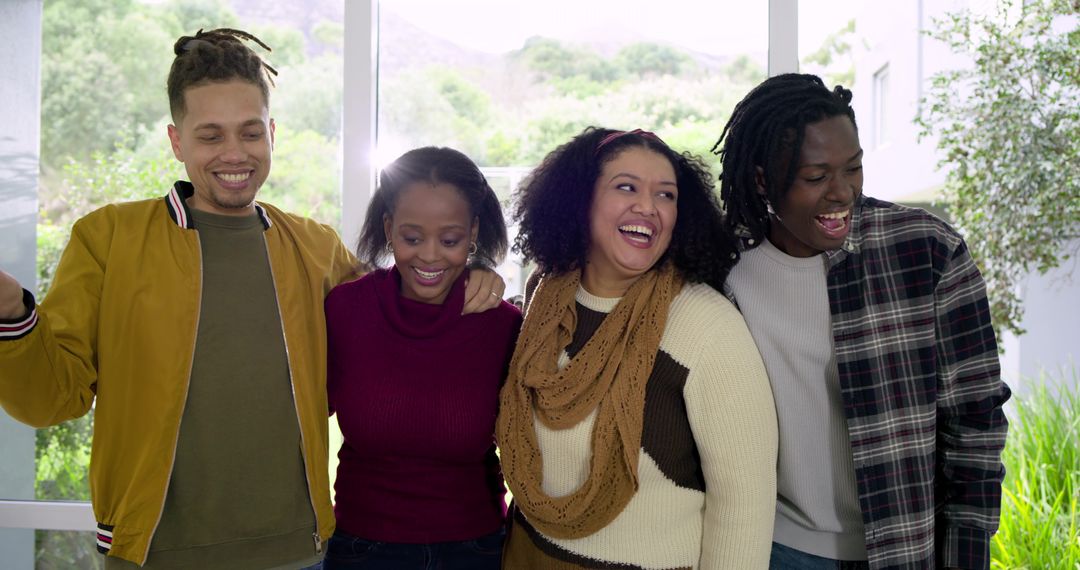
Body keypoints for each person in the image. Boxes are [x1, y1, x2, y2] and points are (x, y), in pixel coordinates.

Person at [0, 29, 504, 569]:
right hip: (153, 553)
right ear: (177, 141)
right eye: (210, 135)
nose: (234, 153)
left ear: (272, 133)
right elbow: (51, 399)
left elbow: (408, 305)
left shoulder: (316, 248)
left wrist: (474, 273)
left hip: (298, 553)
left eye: (250, 132)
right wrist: (12, 314)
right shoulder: (108, 239)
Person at [713, 73, 1010, 570]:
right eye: (816, 177)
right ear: (763, 180)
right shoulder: (724, 267)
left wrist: (966, 552)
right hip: (773, 547)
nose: (842, 192)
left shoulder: (926, 250)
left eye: (853, 168)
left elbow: (976, 418)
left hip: (902, 548)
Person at [497, 127, 778, 568]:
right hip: (523, 553)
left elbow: (745, 505)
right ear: (581, 200)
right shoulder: (544, 296)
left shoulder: (707, 326)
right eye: (626, 187)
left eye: (666, 195)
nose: (648, 207)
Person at [321, 147, 522, 569]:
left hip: (476, 550)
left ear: (473, 232)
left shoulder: (502, 325)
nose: (430, 256)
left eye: (450, 240)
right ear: (389, 228)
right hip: (361, 548)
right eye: (412, 238)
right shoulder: (345, 309)